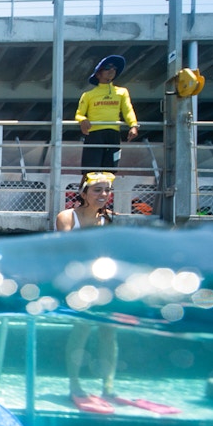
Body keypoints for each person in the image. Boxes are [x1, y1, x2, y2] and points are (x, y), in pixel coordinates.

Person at [56, 172, 117, 412]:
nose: (103, 195)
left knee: (109, 332)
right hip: (76, 283)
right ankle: (74, 385)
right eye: (97, 190)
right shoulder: (67, 217)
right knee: (81, 330)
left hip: (102, 283)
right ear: (83, 194)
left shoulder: (108, 221)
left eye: (106, 190)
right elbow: (67, 251)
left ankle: (108, 386)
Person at [75, 55, 139, 173]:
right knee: (90, 170)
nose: (111, 71)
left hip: (113, 134)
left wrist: (133, 125)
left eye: (114, 68)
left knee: (110, 170)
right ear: (98, 74)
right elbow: (79, 114)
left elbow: (128, 109)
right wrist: (83, 120)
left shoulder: (122, 92)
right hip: (94, 134)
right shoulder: (88, 95)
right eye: (108, 68)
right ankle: (84, 191)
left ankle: (107, 190)